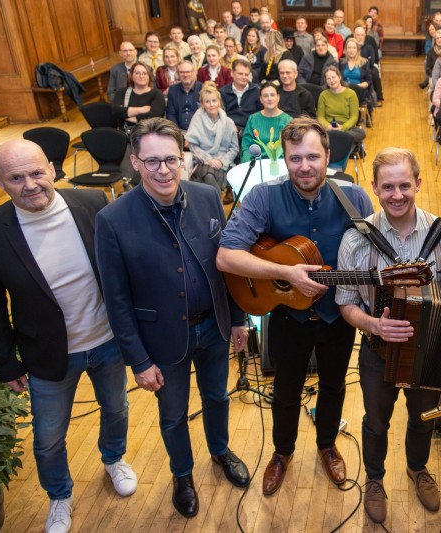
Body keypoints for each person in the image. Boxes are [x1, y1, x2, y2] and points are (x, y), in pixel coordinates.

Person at [95, 118, 250, 519]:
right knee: (173, 414)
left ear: (184, 158)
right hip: (162, 339)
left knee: (218, 397)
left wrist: (237, 319)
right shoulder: (112, 219)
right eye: (152, 162)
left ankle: (220, 451)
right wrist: (139, 361)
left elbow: (226, 267)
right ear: (135, 162)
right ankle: (182, 474)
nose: (163, 170)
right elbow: (116, 299)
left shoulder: (207, 196)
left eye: (170, 159)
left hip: (213, 326)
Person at [217, 117, 373, 496]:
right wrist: (285, 271)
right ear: (284, 159)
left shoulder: (355, 197)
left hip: (339, 315)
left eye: (313, 157)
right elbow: (226, 256)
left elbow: (373, 258)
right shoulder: (263, 196)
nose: (305, 166)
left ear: (328, 156)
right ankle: (282, 452)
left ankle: (327, 445)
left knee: (334, 386)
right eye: (295, 158)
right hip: (286, 313)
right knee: (285, 389)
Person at [0, 140, 137, 533]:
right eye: (16, 178)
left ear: (53, 169)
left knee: (117, 409)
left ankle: (113, 459)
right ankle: (59, 496)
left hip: (107, 341)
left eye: (37, 173)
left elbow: (125, 269)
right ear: (0, 181)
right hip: (47, 354)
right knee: (48, 437)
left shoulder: (92, 203)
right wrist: (6, 362)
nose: (30, 184)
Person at [336, 148, 441, 524]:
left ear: (418, 184)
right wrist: (374, 325)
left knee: (423, 417)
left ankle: (417, 467)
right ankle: (375, 478)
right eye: (388, 186)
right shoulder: (356, 241)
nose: (397, 194)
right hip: (377, 350)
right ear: (374, 187)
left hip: (430, 352)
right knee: (376, 420)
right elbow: (345, 303)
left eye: (404, 185)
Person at [186, 81, 239, 201]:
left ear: (219, 102)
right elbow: (193, 146)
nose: (211, 105)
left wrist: (221, 161)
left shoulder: (228, 122)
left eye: (214, 101)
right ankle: (218, 206)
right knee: (208, 175)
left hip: (224, 161)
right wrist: (208, 159)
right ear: (202, 104)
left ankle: (212, 207)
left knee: (212, 175)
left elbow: (234, 148)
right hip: (203, 160)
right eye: (207, 102)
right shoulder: (197, 119)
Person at [241, 81, 292, 161]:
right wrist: (249, 165)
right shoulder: (253, 119)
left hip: (280, 164)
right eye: (265, 96)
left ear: (278, 97)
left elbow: (291, 148)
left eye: (272, 95)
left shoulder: (287, 120)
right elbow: (246, 147)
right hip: (257, 164)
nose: (269, 99)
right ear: (261, 99)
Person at [111, 62, 166, 133]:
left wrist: (126, 115)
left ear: (149, 76)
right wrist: (141, 110)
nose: (141, 76)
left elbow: (153, 116)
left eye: (144, 73)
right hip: (125, 133)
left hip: (149, 133)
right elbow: (116, 111)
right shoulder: (122, 92)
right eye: (137, 73)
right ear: (131, 76)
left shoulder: (157, 94)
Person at [317, 66, 365, 144]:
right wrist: (329, 127)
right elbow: (320, 117)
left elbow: (354, 117)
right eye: (328, 79)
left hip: (346, 128)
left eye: (333, 77)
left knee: (360, 133)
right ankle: (339, 139)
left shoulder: (351, 94)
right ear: (326, 81)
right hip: (329, 127)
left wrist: (342, 128)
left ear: (339, 77)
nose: (331, 81)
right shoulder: (323, 95)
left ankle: (338, 139)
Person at [219, 59, 260, 136]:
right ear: (232, 73)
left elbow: (261, 114)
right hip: (229, 130)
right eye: (240, 74)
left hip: (251, 131)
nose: (243, 77)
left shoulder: (256, 91)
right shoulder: (223, 92)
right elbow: (221, 115)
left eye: (246, 74)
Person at [166, 61, 202, 131]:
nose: (185, 75)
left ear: (194, 72)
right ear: (177, 74)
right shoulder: (173, 90)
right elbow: (170, 114)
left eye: (188, 72)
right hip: (179, 132)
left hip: (199, 133)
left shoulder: (203, 89)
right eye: (182, 72)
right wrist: (178, 132)